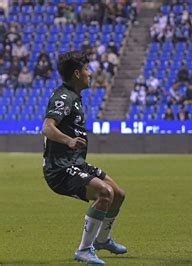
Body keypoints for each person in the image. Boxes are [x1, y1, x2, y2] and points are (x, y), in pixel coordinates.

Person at [42, 51, 127, 265]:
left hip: (75, 163)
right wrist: (68, 141)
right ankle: (84, 249)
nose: (91, 73)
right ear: (77, 73)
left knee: (118, 194)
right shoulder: (63, 97)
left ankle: (102, 240)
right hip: (60, 169)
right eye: (87, 69)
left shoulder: (74, 97)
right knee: (104, 193)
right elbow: (47, 127)